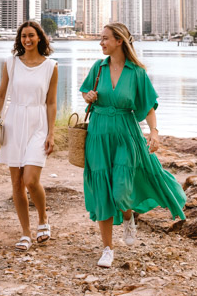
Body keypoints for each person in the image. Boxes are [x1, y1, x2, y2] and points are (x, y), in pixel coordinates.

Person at [80, 22, 186, 268]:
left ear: (119, 41)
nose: (101, 43)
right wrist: (89, 97)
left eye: (105, 38)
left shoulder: (136, 72)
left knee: (121, 191)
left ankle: (128, 217)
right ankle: (107, 249)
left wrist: (154, 132)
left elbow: (148, 106)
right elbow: (86, 93)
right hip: (99, 134)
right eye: (101, 38)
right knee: (103, 191)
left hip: (126, 134)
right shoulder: (98, 67)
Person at [0, 20, 58, 251]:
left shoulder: (51, 66)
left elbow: (51, 102)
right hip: (14, 121)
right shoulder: (11, 63)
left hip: (38, 123)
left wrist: (51, 133)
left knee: (30, 179)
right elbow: (0, 96)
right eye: (23, 36)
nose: (27, 40)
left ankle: (43, 219)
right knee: (16, 183)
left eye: (31, 35)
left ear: (39, 38)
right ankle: (26, 233)